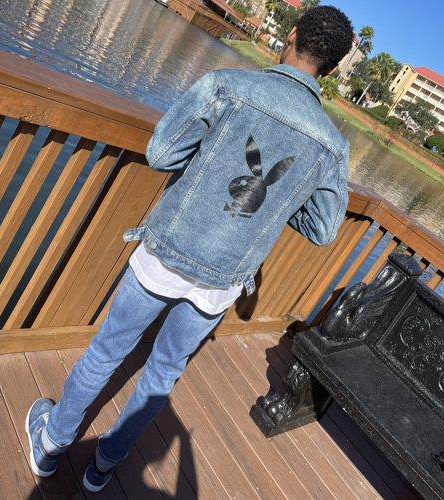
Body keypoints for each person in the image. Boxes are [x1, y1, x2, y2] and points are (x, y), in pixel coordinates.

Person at [25, 5, 354, 492]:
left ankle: (52, 443)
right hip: (222, 279)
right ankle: (104, 467)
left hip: (166, 251)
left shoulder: (227, 85)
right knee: (162, 374)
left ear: (291, 35)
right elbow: (324, 229)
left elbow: (161, 153)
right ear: (333, 66)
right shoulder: (331, 144)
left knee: (105, 352)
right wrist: (278, 201)